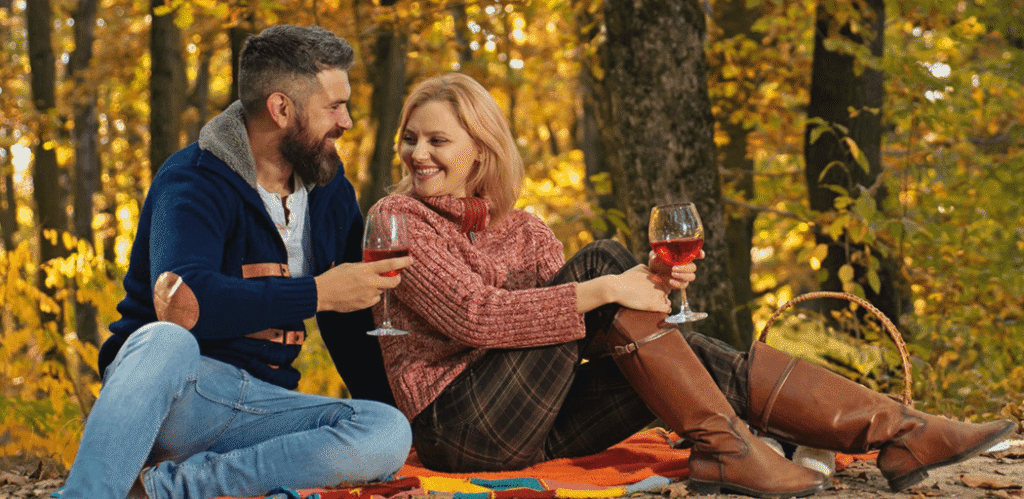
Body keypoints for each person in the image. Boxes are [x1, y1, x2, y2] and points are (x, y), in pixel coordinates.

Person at [367, 72, 1016, 498]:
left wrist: (650, 288)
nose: (417, 153)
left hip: (538, 421)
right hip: (460, 427)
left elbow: (587, 335)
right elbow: (480, 318)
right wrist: (606, 287)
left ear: (481, 149)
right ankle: (744, 448)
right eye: (410, 138)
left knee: (687, 345)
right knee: (598, 265)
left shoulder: (527, 229)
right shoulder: (396, 219)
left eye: (437, 140)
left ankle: (898, 430)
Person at [59, 25, 413, 499]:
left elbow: (350, 325)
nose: (346, 121)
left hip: (264, 408)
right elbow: (188, 300)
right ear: (281, 108)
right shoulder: (192, 181)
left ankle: (166, 489)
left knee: (386, 429)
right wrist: (319, 292)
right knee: (165, 340)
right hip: (178, 399)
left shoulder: (328, 190)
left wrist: (404, 412)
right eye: (334, 106)